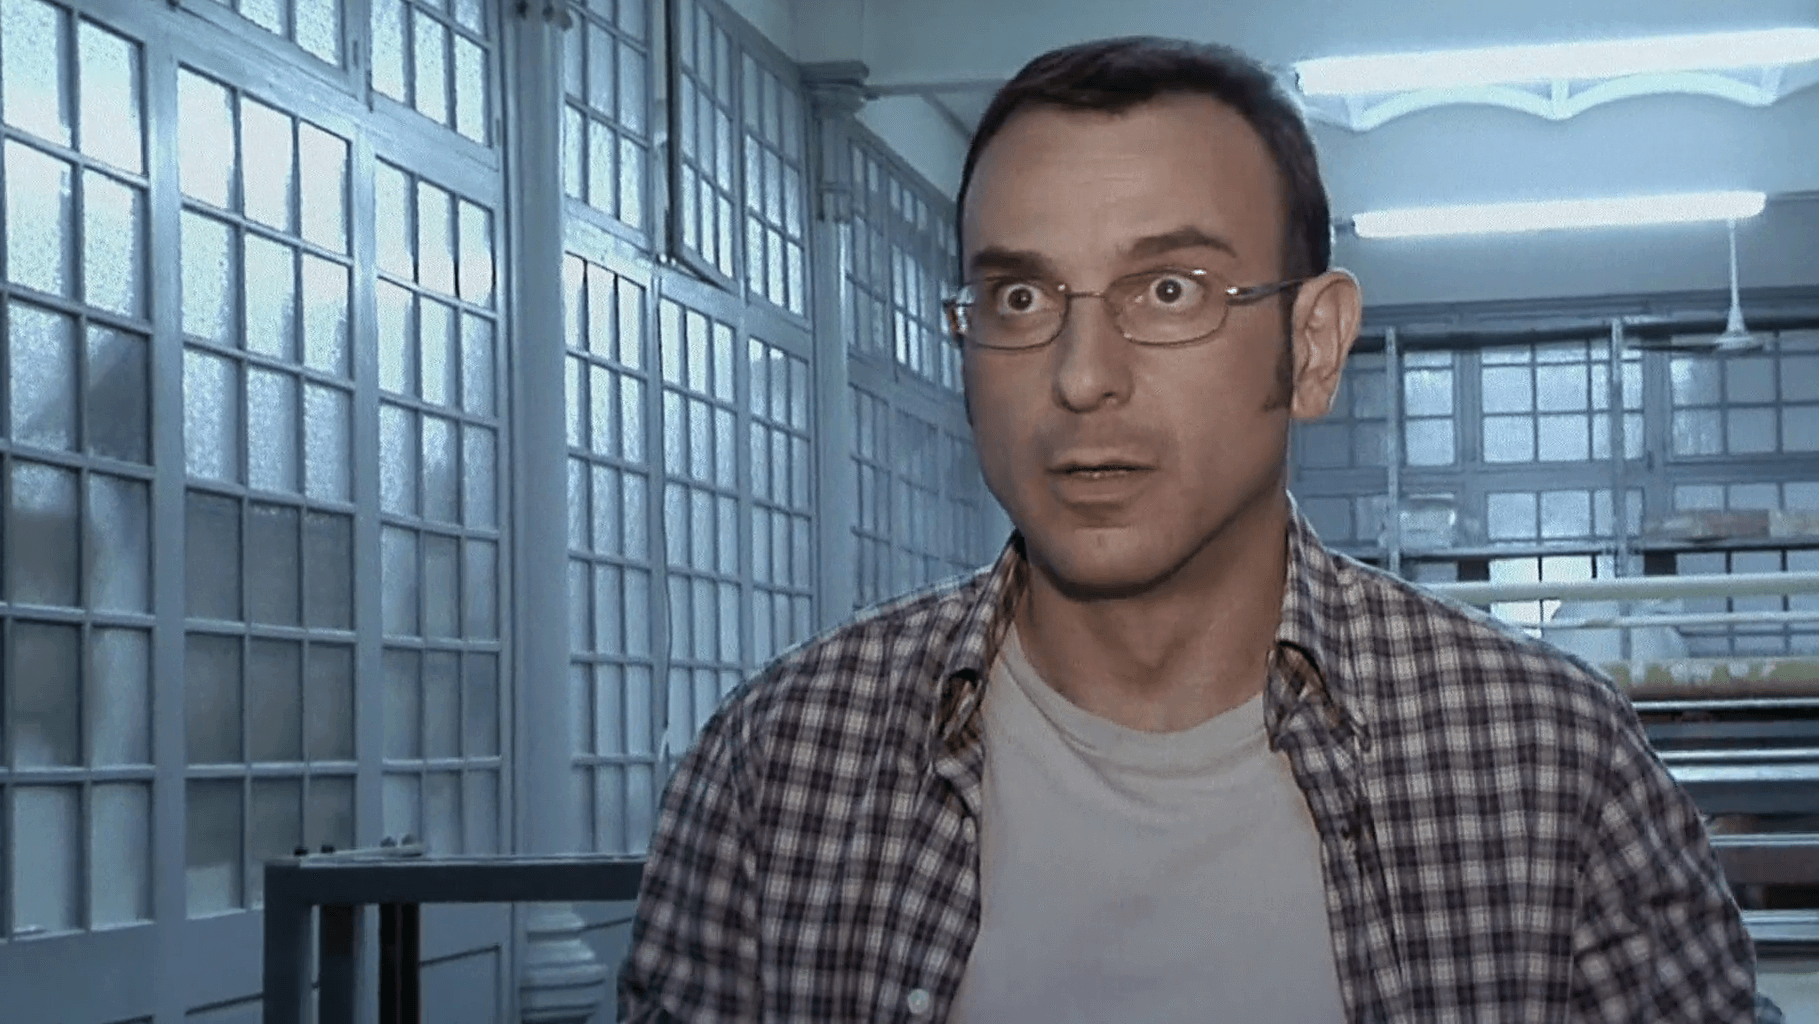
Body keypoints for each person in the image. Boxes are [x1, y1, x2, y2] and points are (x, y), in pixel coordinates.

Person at [620, 35, 1766, 1022]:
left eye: (1170, 291)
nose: (1081, 376)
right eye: (1020, 298)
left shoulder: (1547, 763)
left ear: (1310, 347)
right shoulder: (783, 762)